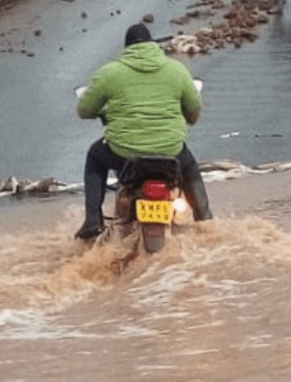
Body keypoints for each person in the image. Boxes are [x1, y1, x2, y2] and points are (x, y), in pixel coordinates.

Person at [75, 23, 213, 240]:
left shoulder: (109, 73)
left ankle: (93, 219)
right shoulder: (177, 70)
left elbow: (84, 110)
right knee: (190, 168)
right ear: (152, 45)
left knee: (95, 157)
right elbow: (194, 114)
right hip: (170, 154)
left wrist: (103, 112)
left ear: (127, 48)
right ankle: (205, 221)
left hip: (124, 155)